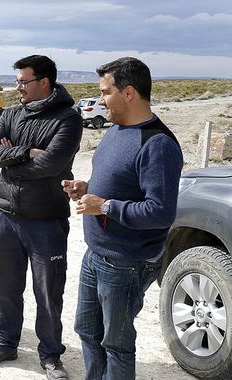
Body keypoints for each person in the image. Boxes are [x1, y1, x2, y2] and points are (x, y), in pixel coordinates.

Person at [63, 57, 183, 380]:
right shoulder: (117, 129)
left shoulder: (158, 145)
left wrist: (104, 206)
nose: (100, 100)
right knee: (87, 330)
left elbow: (160, 212)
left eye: (105, 92)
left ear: (128, 93)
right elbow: (120, 181)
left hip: (126, 262)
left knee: (116, 344)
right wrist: (86, 188)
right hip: (97, 253)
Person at [0, 55, 83, 380]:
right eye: (18, 81)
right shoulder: (10, 114)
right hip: (6, 217)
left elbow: (50, 165)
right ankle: (5, 344)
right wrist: (23, 152)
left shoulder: (68, 119)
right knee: (5, 288)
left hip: (46, 221)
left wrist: (11, 161)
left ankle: (51, 356)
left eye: (23, 82)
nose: (17, 87)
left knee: (48, 294)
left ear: (44, 83)